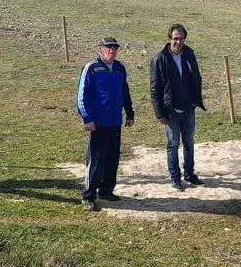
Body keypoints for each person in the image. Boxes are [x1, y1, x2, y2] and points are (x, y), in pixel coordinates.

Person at [76, 37, 135, 211]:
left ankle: (106, 191)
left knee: (112, 158)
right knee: (96, 160)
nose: (112, 51)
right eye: (108, 48)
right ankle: (88, 196)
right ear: (100, 49)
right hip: (97, 123)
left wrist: (130, 113)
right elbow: (82, 95)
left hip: (115, 121)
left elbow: (125, 92)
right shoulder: (91, 68)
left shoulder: (119, 68)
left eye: (115, 48)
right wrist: (87, 118)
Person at [149, 23, 207, 191]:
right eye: (175, 38)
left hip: (188, 108)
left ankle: (190, 174)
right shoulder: (159, 59)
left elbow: (197, 77)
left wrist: (196, 99)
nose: (178, 42)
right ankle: (175, 178)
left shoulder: (189, 54)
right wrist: (160, 113)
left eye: (181, 38)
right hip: (170, 112)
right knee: (173, 144)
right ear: (169, 39)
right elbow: (155, 88)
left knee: (189, 142)